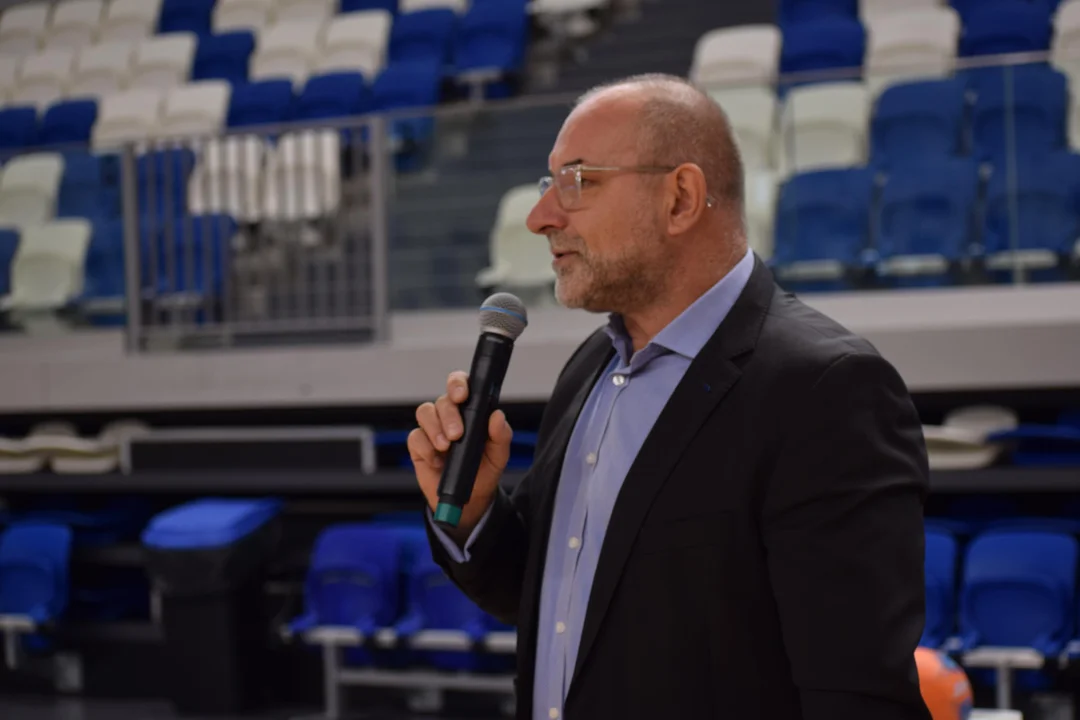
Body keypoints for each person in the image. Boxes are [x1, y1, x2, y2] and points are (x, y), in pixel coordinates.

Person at [407, 73, 932, 720]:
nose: (540, 218)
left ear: (680, 198)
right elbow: (558, 606)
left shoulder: (825, 389)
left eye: (577, 181)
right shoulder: (591, 367)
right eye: (548, 184)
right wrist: (475, 511)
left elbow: (857, 698)